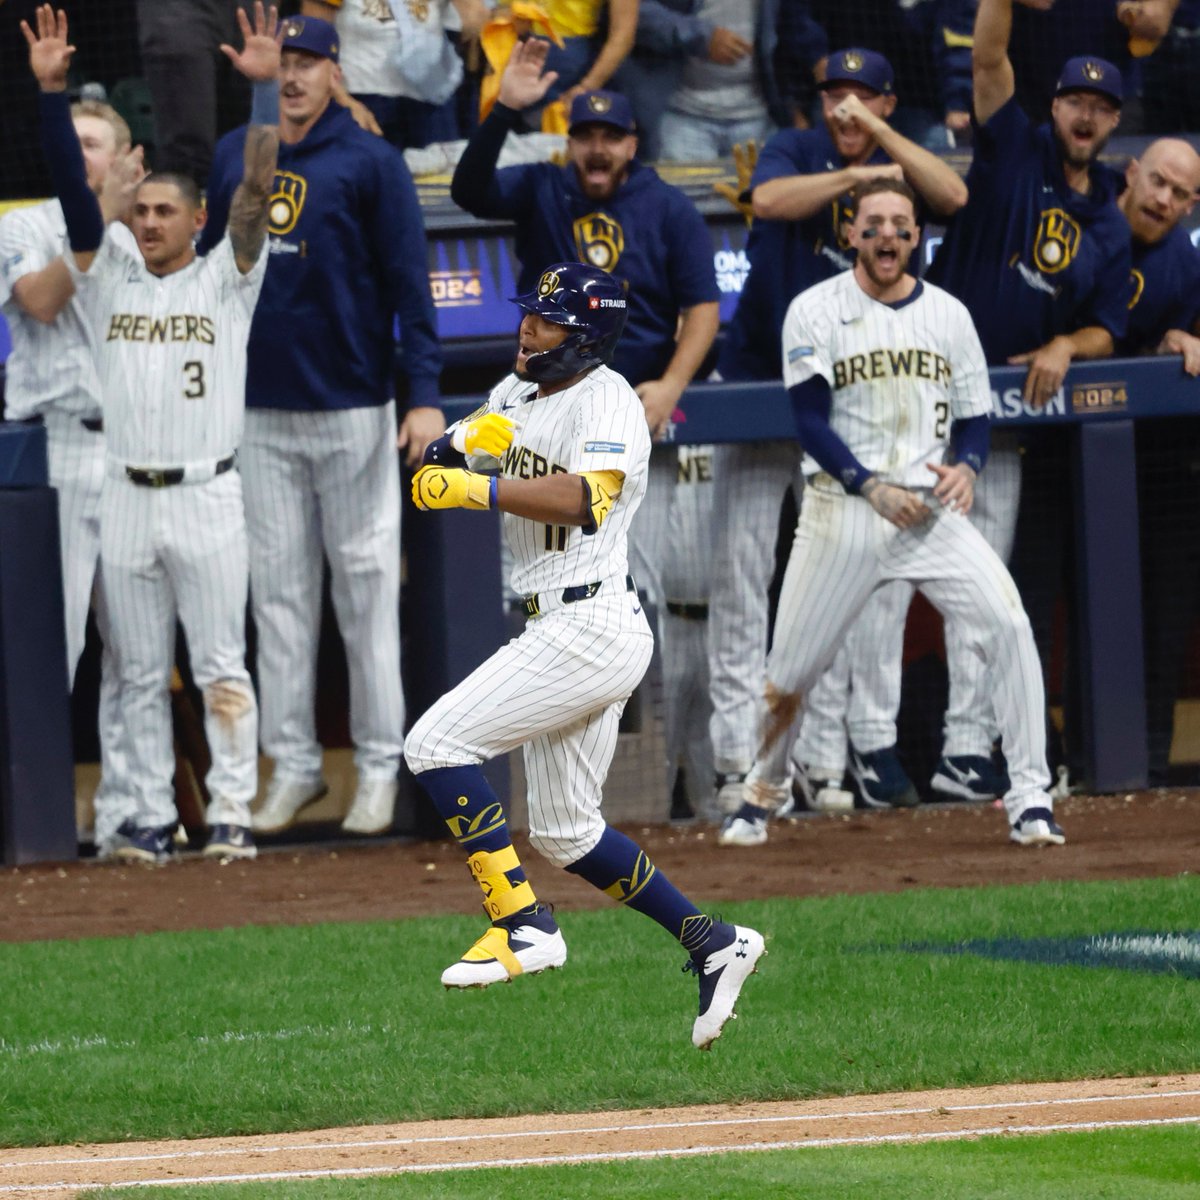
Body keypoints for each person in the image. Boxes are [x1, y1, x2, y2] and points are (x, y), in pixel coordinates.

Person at [404, 261, 765, 1050]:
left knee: (435, 743)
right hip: (556, 625)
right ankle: (713, 941)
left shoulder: (612, 403)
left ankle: (523, 923)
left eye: (548, 320)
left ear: (588, 333)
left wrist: (478, 490)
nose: (528, 329)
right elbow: (435, 464)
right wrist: (446, 460)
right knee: (567, 833)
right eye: (530, 314)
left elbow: (586, 500)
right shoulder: (514, 395)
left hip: (591, 621)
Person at [718, 178, 1063, 849]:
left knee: (1009, 625)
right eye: (872, 223)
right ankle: (761, 792)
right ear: (850, 233)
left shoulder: (949, 316)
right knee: (790, 669)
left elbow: (974, 419)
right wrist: (867, 484)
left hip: (930, 513)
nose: (887, 236)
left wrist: (968, 467)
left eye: (900, 224)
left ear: (916, 237)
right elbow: (809, 421)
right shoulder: (814, 310)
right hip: (842, 511)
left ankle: (1030, 796)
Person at [25, 1, 281, 863]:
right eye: (143, 214)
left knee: (220, 668)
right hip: (126, 492)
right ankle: (143, 817)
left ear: (196, 221)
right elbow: (71, 191)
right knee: (133, 675)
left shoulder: (229, 279)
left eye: (166, 213)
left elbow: (257, 190)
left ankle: (234, 813)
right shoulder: (110, 280)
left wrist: (265, 92)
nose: (150, 223)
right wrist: (51, 95)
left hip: (208, 493)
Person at [199, 14, 445, 838]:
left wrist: (422, 394)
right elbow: (223, 258)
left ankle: (379, 767)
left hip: (352, 407)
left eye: (309, 62)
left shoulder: (371, 159)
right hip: (259, 409)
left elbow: (411, 285)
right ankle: (296, 767)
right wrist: (260, 101)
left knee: (367, 596)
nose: (297, 74)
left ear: (337, 72)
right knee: (278, 600)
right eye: (285, 63)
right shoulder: (241, 149)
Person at [708, 47, 967, 816]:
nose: (842, 107)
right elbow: (770, 200)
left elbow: (950, 193)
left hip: (841, 402)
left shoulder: (902, 158)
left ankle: (821, 765)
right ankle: (735, 761)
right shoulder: (798, 148)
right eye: (833, 94)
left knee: (838, 581)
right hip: (759, 380)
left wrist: (882, 152)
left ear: (887, 103)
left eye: (860, 95)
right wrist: (859, 179)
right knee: (741, 581)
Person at [925, 0, 1132, 790]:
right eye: (1076, 101)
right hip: (924, 390)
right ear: (1054, 108)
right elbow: (987, 62)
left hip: (996, 427)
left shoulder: (1107, 218)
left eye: (1102, 106)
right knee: (872, 585)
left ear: (1114, 120)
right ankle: (835, 760)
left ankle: (964, 751)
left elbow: (1108, 327)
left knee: (984, 583)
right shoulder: (1014, 147)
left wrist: (1063, 343)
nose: (1087, 114)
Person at [450, 36, 719, 615]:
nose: (598, 149)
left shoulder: (668, 206)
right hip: (545, 404)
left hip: (631, 407)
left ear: (632, 143)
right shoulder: (544, 186)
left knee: (631, 578)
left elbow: (702, 307)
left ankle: (631, 704)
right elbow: (467, 190)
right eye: (585, 137)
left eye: (611, 138)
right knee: (527, 580)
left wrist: (671, 386)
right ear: (569, 143)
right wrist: (503, 109)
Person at [0, 98, 140, 858]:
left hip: (136, 453)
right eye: (75, 142)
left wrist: (120, 223)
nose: (84, 155)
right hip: (57, 449)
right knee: (51, 648)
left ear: (123, 154)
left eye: (97, 144)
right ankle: (34, 820)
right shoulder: (26, 224)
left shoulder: (149, 230)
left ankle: (127, 818)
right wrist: (93, 225)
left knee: (135, 650)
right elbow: (41, 300)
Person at [1115, 138, 1200, 785]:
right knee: (1088, 612)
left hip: (1170, 469)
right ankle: (1074, 763)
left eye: (1181, 194)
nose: (1164, 199)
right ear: (1132, 173)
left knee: (1166, 619)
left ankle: (1145, 771)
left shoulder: (1186, 265)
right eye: (1158, 184)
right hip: (1071, 464)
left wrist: (1186, 340)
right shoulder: (1084, 232)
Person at [299, 0, 489, 148]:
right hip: (362, 99)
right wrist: (342, 101)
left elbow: (474, 20)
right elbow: (314, 40)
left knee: (438, 188)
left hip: (431, 100)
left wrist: (473, 13)